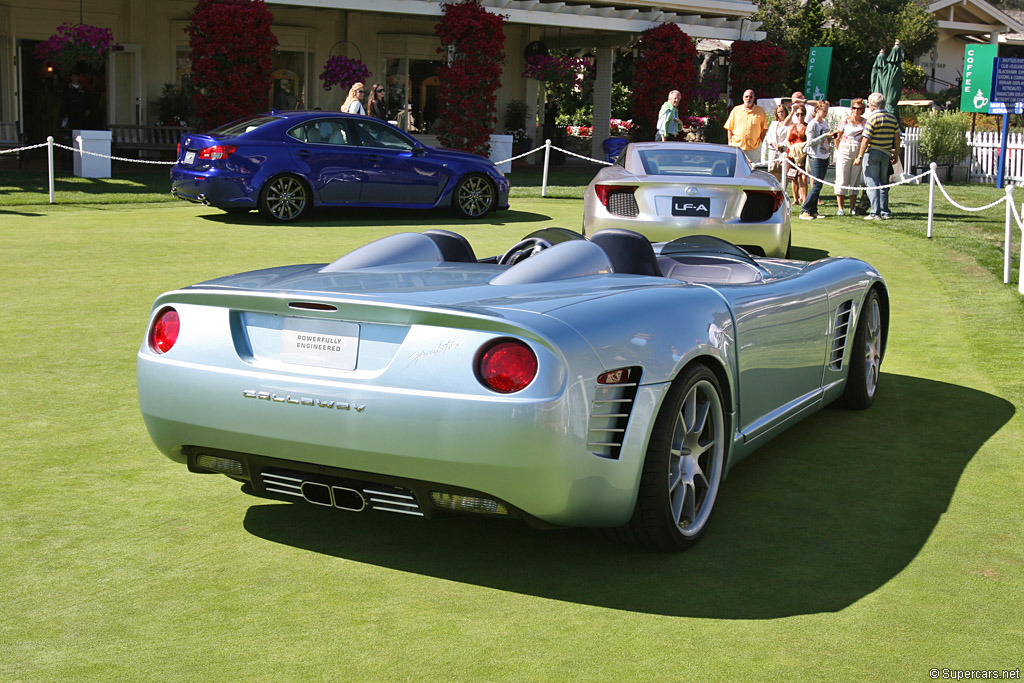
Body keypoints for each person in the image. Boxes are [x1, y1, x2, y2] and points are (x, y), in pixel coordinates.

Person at [854, 92, 901, 220]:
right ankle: (885, 211)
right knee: (883, 183)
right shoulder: (892, 118)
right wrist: (896, 153)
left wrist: (860, 156)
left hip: (873, 152)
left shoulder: (873, 118)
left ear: (873, 105)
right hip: (886, 153)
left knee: (872, 183)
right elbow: (897, 137)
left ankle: (875, 213)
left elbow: (865, 139)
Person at [833, 98, 867, 215]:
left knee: (855, 179)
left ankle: (852, 208)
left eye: (859, 108)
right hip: (845, 149)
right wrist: (839, 149)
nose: (856, 111)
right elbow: (837, 136)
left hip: (857, 150)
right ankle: (840, 208)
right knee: (842, 178)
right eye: (854, 108)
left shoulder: (865, 122)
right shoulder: (845, 121)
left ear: (863, 110)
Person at [800, 101, 832, 220]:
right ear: (817, 110)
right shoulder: (812, 124)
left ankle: (813, 210)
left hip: (824, 155)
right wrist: (825, 136)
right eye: (824, 111)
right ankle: (805, 209)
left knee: (819, 184)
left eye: (827, 111)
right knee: (816, 185)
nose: (825, 113)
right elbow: (810, 142)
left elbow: (826, 139)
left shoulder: (824, 123)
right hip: (815, 156)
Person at [723, 89, 769, 163]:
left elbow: (764, 128)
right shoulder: (736, 110)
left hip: (754, 148)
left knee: (753, 170)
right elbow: (729, 127)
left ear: (754, 98)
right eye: (746, 96)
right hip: (737, 146)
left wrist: (760, 142)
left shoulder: (760, 111)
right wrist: (730, 142)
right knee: (735, 168)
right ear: (743, 98)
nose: (748, 98)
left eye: (751, 97)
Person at [786, 106, 808, 205]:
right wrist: (791, 148)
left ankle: (804, 198)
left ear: (805, 115)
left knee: (803, 177)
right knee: (793, 176)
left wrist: (800, 148)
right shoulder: (792, 126)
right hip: (792, 154)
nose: (799, 116)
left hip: (802, 154)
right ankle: (795, 198)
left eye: (801, 114)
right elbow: (787, 140)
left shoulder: (807, 127)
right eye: (797, 114)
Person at [766, 104, 790, 186]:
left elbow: (789, 137)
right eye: (779, 112)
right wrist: (773, 143)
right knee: (774, 170)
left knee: (784, 171)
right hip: (773, 150)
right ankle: (776, 188)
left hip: (784, 150)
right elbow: (768, 136)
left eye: (782, 112)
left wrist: (781, 145)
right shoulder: (773, 124)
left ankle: (784, 189)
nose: (781, 114)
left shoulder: (789, 124)